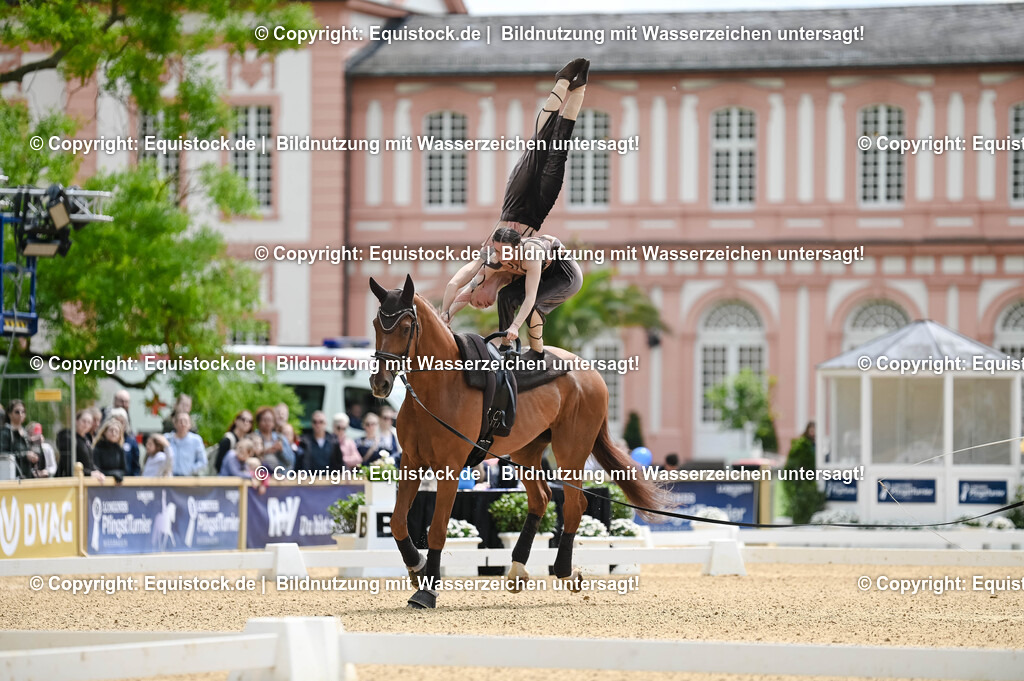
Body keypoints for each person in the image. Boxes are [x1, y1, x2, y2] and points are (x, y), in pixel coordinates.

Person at [439, 58, 589, 354]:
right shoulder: (509, 278)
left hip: (515, 204)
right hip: (539, 209)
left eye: (477, 301)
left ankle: (562, 82)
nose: (482, 304)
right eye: (485, 305)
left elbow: (454, 286)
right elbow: (525, 296)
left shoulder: (486, 263)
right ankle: (580, 89)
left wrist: (444, 316)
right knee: (558, 151)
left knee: (539, 147)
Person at [57, 410, 104, 480]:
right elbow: (69, 466)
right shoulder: (68, 437)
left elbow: (89, 463)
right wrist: (89, 473)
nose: (86, 425)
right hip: (70, 481)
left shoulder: (86, 439)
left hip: (85, 481)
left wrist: (97, 472)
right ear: (76, 421)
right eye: (84, 421)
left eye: (89, 422)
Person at [1, 400, 35, 479]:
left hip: (27, 476)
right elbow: (3, 454)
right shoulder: (5, 432)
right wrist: (24, 455)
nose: (20, 414)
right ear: (9, 414)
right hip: (11, 476)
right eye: (17, 412)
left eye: (23, 412)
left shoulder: (25, 432)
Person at [166, 412, 207, 476]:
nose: (183, 424)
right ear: (175, 424)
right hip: (169, 478)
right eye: (180, 421)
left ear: (190, 424)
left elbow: (203, 462)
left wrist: (190, 470)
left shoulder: (196, 440)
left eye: (185, 421)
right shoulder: (167, 438)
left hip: (187, 479)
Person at [255, 405, 294, 470]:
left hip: (279, 475)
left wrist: (282, 450)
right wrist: (265, 451)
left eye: (270, 420)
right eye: (264, 420)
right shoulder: (253, 436)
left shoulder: (280, 438)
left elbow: (291, 461)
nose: (267, 423)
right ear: (259, 421)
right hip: (260, 474)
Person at [108, 407, 140, 476]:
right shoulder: (103, 442)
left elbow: (136, 465)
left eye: (121, 422)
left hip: (128, 482)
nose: (119, 425)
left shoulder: (131, 441)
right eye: (116, 421)